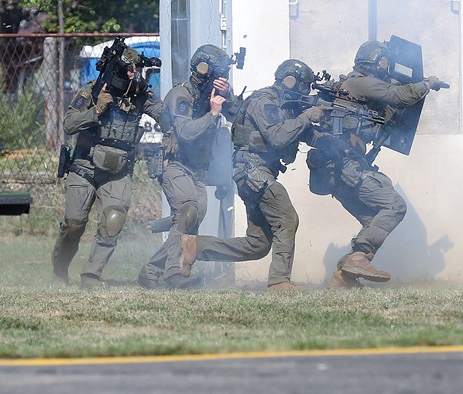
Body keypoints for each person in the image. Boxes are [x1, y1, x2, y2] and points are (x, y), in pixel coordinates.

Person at [177, 59, 327, 290]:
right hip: (253, 170)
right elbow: (278, 137)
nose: (305, 93)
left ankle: (197, 246)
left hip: (255, 173)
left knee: (258, 244)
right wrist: (307, 116)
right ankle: (279, 281)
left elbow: (303, 134)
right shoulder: (265, 100)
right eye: (303, 87)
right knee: (287, 219)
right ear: (290, 81)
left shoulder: (286, 108)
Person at [306, 40, 443, 288]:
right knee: (394, 205)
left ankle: (344, 277)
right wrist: (427, 84)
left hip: (336, 168)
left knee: (373, 221)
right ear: (377, 62)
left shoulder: (357, 87)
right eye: (384, 63)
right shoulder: (359, 82)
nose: (386, 68)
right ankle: (357, 258)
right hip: (345, 164)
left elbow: (388, 113)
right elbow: (399, 96)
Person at [51, 46, 163, 288]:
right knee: (74, 223)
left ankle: (91, 275)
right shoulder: (93, 89)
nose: (133, 76)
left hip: (117, 171)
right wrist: (97, 109)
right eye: (130, 71)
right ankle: (59, 270)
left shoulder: (140, 94)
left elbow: (166, 115)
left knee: (113, 219)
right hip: (84, 167)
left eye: (137, 71)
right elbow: (69, 124)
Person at [136, 45, 233, 289]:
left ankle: (150, 271)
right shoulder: (180, 95)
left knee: (189, 224)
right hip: (175, 164)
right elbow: (185, 132)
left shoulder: (209, 95)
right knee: (187, 210)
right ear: (203, 70)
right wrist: (212, 114)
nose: (221, 78)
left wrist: (228, 98)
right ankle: (174, 274)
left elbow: (238, 117)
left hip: (198, 168)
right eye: (218, 73)